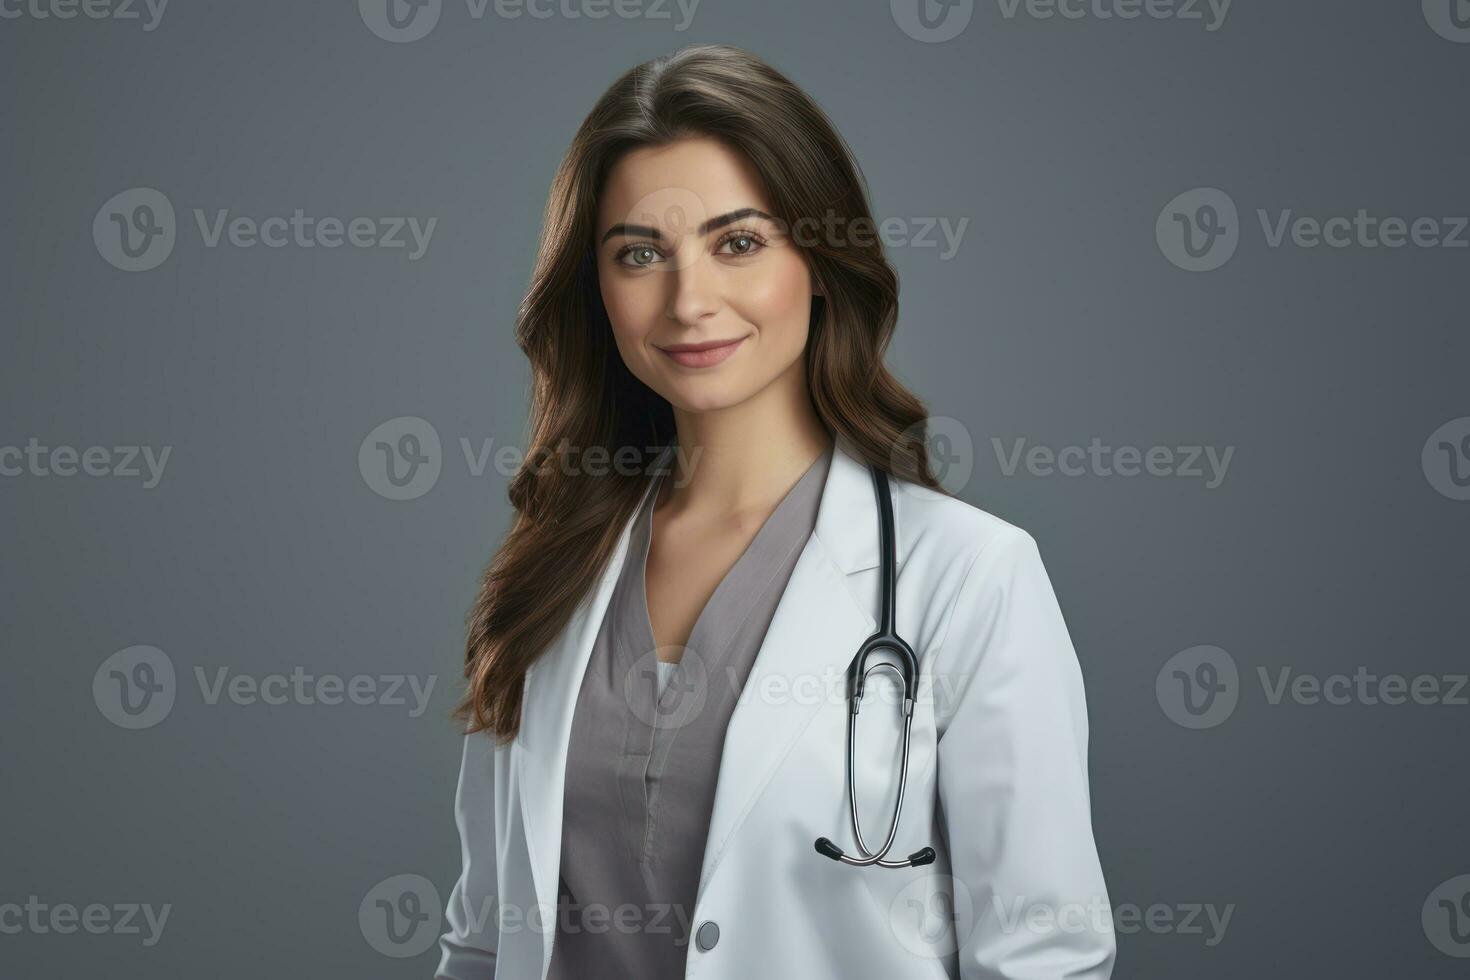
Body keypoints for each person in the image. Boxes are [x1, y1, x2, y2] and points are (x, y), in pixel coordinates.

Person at [437, 43, 1115, 980]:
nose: (689, 300)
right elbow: (481, 941)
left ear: (823, 262)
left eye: (739, 243)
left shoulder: (968, 577)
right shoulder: (548, 572)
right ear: (596, 290)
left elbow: (1045, 955)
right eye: (641, 254)